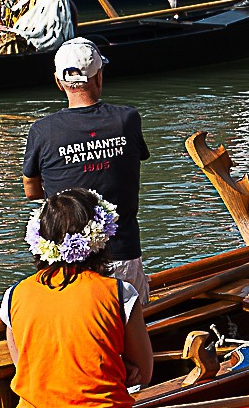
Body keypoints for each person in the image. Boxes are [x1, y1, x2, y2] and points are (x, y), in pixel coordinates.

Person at [2, 188, 155, 408]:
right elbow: (143, 374)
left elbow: (26, 368)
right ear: (102, 237)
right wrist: (117, 368)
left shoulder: (14, 296)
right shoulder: (120, 293)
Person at [23, 38, 153, 299]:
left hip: (66, 264)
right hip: (122, 254)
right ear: (99, 77)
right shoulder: (127, 119)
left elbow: (31, 191)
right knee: (132, 319)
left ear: (59, 82)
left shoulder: (42, 130)